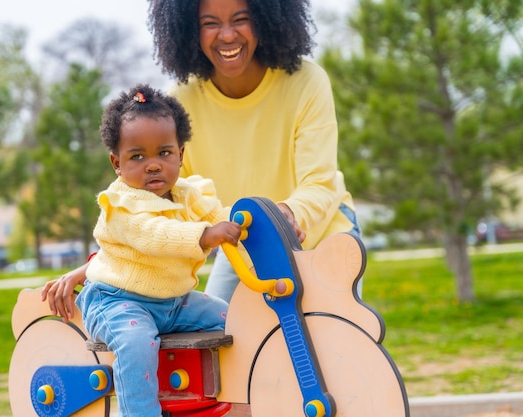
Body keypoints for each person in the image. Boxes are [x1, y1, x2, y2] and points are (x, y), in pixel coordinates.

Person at [42, 0, 360, 318]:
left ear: (266, 18)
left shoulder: (306, 81)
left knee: (332, 339)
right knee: (222, 340)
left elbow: (319, 184)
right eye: (210, 23)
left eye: (241, 19)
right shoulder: (180, 104)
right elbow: (156, 210)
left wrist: (285, 215)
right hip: (242, 239)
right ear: (189, 29)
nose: (227, 35)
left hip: (321, 230)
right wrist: (93, 270)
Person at [73, 84, 241, 417]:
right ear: (116, 163)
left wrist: (255, 224)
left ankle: (230, 400)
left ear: (180, 153)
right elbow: (154, 235)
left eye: (164, 153)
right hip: (117, 300)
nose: (153, 165)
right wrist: (205, 235)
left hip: (174, 301)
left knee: (234, 320)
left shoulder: (189, 194)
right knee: (135, 345)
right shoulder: (120, 205)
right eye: (137, 156)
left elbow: (220, 216)